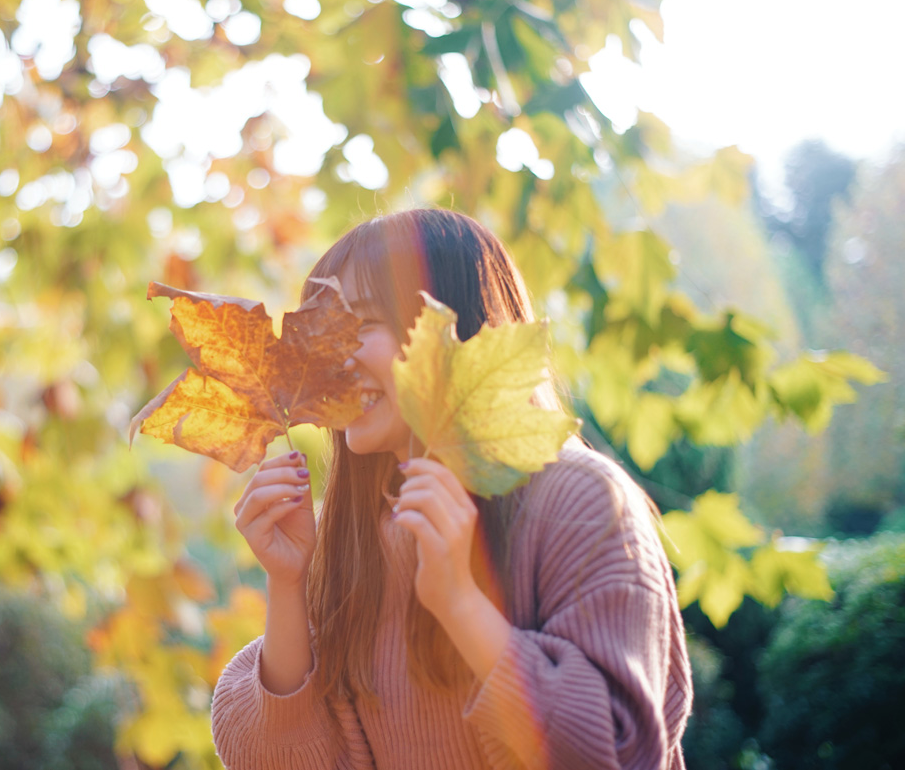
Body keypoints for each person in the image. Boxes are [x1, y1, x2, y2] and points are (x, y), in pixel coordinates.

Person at [211, 209, 692, 769]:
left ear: (456, 330)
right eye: (322, 332)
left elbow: (614, 748)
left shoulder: (580, 501)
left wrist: (459, 600)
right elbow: (282, 760)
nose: (333, 360)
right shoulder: (357, 537)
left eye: (362, 324)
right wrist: (288, 583)